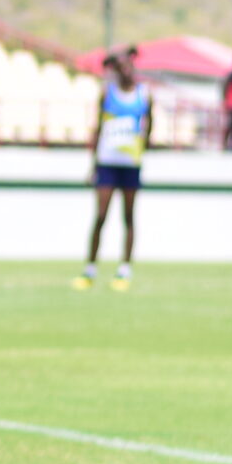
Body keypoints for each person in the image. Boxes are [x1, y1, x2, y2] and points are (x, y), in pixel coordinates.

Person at [74, 48, 151, 291]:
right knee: (100, 215)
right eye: (121, 68)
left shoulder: (144, 95)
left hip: (130, 164)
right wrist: (93, 164)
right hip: (107, 162)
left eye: (129, 67)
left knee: (128, 217)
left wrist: (141, 152)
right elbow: (98, 128)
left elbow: (149, 128)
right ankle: (90, 269)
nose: (127, 71)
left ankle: (124, 270)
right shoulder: (107, 94)